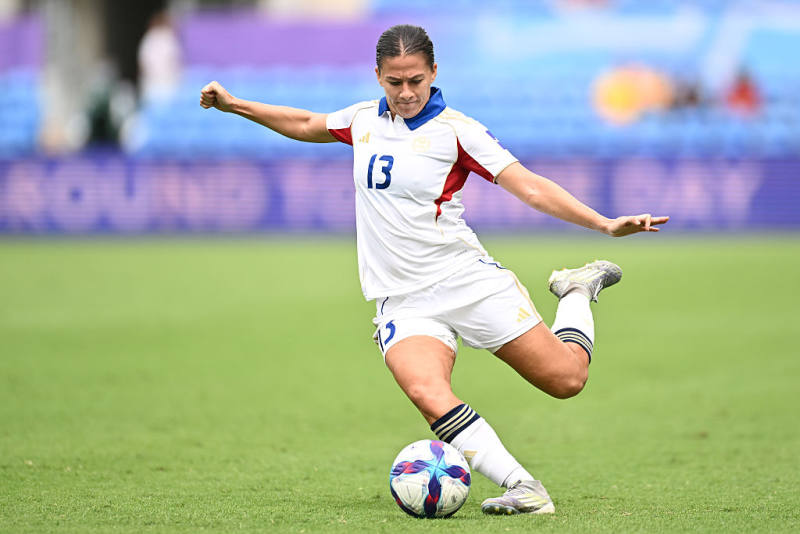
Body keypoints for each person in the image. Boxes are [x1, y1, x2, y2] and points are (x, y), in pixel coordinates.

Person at [200, 24, 669, 515]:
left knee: (566, 379)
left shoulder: (457, 131)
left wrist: (603, 224)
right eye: (395, 82)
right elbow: (304, 123)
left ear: (434, 74)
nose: (406, 93)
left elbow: (528, 186)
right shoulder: (362, 120)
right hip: (402, 299)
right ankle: (524, 487)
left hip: (466, 282)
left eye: (416, 81)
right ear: (377, 75)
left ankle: (575, 291)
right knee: (427, 391)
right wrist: (236, 105)